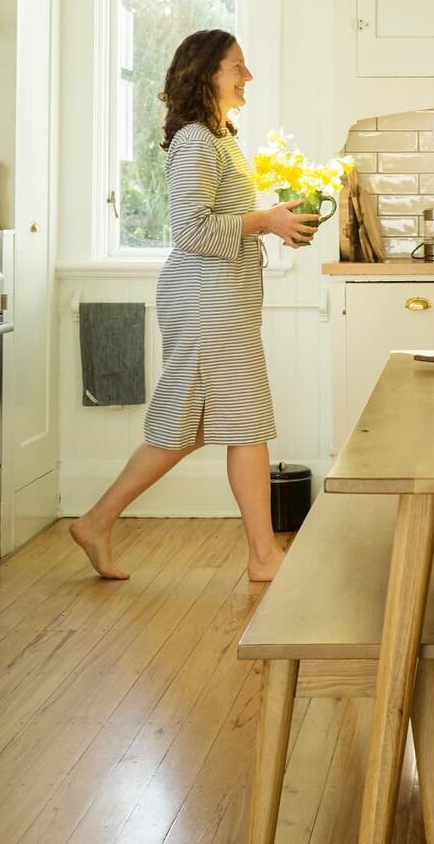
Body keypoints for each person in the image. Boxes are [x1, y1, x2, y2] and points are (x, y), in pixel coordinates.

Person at [70, 29, 317, 582]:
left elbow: (222, 223)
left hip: (224, 296)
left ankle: (97, 521)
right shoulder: (194, 143)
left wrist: (276, 224)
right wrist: (263, 221)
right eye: (237, 65)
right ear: (207, 73)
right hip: (206, 298)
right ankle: (261, 555)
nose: (246, 75)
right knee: (238, 421)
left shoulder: (222, 138)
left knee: (204, 423)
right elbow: (189, 231)